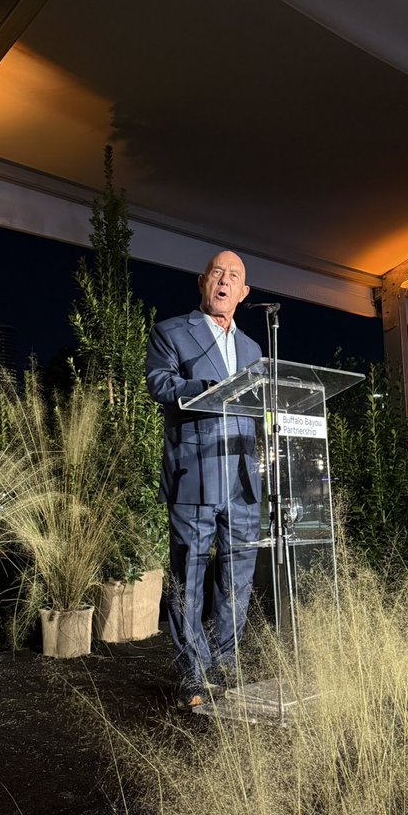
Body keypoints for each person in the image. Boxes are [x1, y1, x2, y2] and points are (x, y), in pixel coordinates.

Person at [145, 250, 262, 710]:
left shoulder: (254, 349)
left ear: (244, 293)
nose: (225, 280)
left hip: (241, 479)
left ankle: (226, 667)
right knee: (189, 578)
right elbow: (159, 384)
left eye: (234, 276)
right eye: (218, 272)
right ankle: (192, 676)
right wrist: (208, 389)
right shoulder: (172, 331)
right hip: (194, 474)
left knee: (237, 579)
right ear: (202, 281)